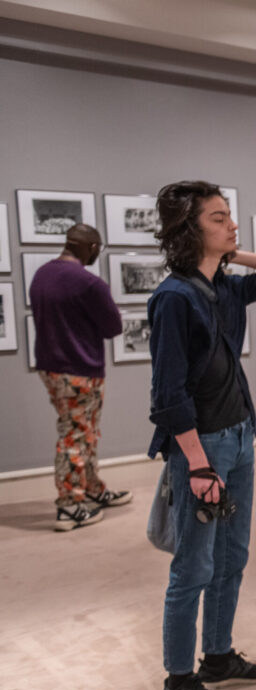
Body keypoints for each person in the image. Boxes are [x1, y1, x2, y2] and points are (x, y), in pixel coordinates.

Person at [147, 181, 256, 690]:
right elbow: (167, 397)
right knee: (193, 567)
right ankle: (178, 682)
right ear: (191, 232)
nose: (233, 225)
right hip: (203, 446)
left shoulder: (226, 289)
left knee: (233, 558)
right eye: (219, 219)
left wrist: (229, 252)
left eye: (229, 216)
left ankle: (216, 657)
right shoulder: (173, 298)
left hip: (238, 434)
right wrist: (197, 464)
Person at [29, 223, 132, 531]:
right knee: (75, 435)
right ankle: (69, 505)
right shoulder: (89, 283)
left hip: (51, 367)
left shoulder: (42, 275)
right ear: (90, 248)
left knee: (82, 430)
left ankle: (91, 489)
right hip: (80, 369)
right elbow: (113, 327)